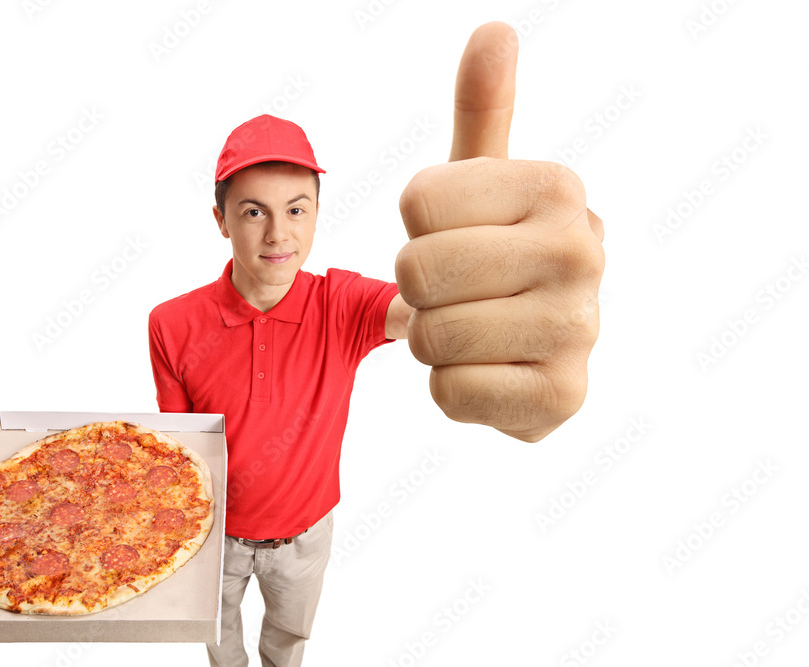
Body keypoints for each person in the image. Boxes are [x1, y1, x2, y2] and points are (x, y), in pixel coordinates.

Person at [148, 21, 605, 667]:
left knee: (287, 642)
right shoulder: (170, 322)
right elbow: (173, 450)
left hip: (306, 536)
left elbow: (423, 308)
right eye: (253, 210)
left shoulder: (339, 302)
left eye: (297, 208)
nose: (278, 232)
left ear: (316, 213)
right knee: (220, 644)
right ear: (220, 218)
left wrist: (505, 292)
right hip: (209, 536)